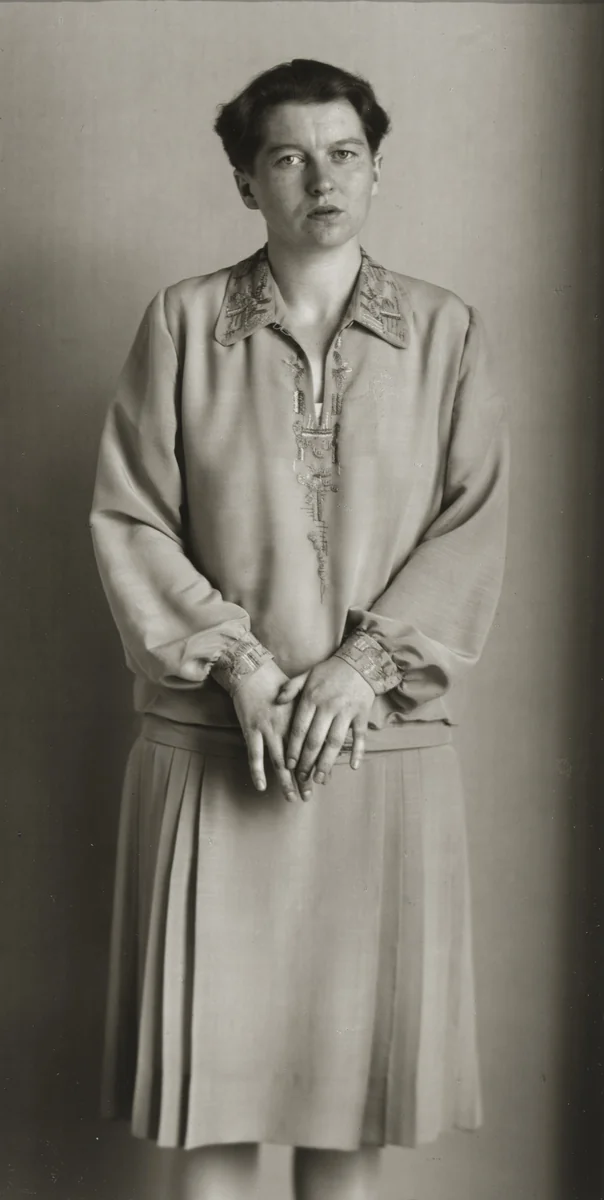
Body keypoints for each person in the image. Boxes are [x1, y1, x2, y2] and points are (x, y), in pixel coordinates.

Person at [90, 58, 510, 1200]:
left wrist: (362, 670)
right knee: (212, 1127)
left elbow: (471, 528)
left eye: (343, 154)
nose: (319, 179)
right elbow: (131, 518)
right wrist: (240, 667)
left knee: (346, 1125)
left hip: (374, 764)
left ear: (375, 169)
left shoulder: (445, 331)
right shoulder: (181, 324)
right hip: (217, 753)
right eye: (287, 156)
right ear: (245, 182)